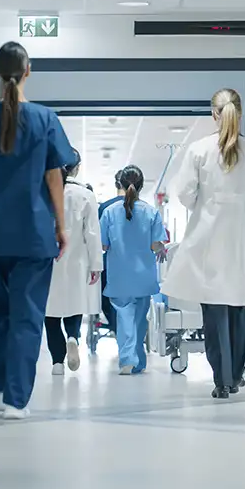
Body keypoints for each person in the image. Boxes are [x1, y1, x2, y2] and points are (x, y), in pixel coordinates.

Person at [0, 41, 76, 420]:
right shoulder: (45, 120)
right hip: (33, 235)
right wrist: (61, 226)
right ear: (28, 71)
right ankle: (16, 400)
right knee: (26, 316)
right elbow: (55, 178)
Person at [162, 89, 245, 399]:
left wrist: (207, 205)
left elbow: (186, 193)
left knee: (214, 312)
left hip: (209, 238)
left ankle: (223, 380)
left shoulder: (199, 150)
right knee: (237, 309)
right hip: (244, 240)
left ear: (214, 114)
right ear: (239, 114)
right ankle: (237, 375)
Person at [99, 165, 165, 375]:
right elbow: (155, 244)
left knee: (125, 317)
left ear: (120, 184)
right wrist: (161, 247)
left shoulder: (109, 212)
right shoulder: (151, 212)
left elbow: (103, 245)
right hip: (143, 275)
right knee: (138, 319)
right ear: (141, 186)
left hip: (119, 275)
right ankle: (138, 361)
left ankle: (128, 359)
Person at [44, 148, 103, 375]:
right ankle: (72, 337)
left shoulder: (43, 191)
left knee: (50, 312)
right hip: (77, 261)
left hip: (48, 262)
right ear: (76, 168)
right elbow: (93, 234)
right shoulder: (85, 195)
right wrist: (96, 265)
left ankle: (57, 363)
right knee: (73, 305)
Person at [97, 169, 126, 334]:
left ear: (117, 184)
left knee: (105, 297)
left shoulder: (105, 207)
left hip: (111, 264)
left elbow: (102, 243)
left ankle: (115, 325)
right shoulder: (145, 208)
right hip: (136, 266)